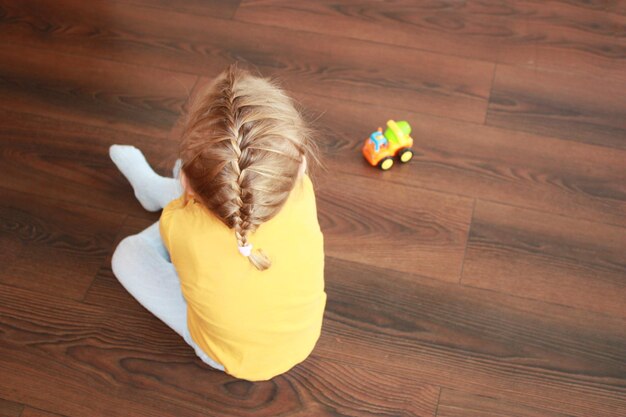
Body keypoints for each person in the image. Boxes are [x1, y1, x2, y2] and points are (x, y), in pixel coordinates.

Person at [109, 65, 326, 381]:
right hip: (303, 337)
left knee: (126, 256)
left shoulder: (180, 227)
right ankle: (167, 189)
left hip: (223, 355)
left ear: (185, 181)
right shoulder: (303, 194)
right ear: (301, 166)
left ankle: (158, 190)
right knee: (217, 195)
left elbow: (195, 223)